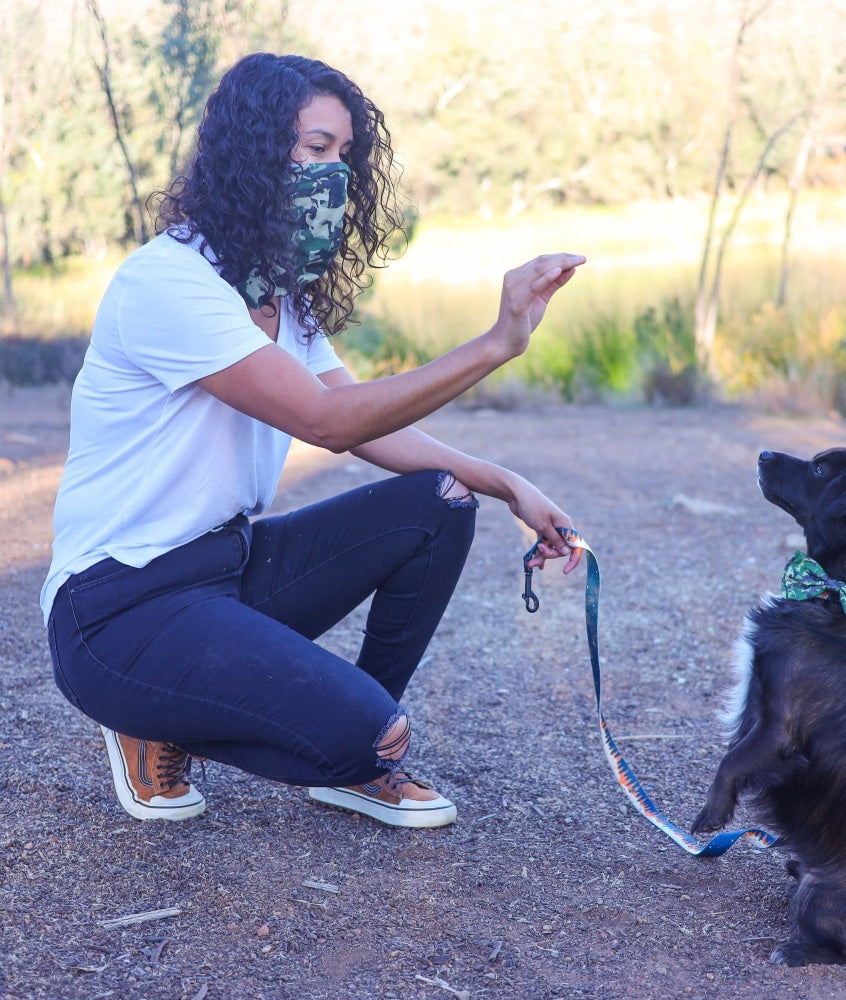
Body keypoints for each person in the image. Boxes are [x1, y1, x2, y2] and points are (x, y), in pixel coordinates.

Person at [41, 52, 584, 829]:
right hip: (117, 610)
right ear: (254, 153)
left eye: (345, 155)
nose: (335, 173)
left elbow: (359, 414)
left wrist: (504, 482)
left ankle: (357, 757)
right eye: (315, 149)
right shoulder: (169, 284)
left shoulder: (279, 296)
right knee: (374, 737)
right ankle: (166, 717)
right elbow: (327, 424)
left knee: (440, 501)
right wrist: (496, 343)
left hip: (223, 572)